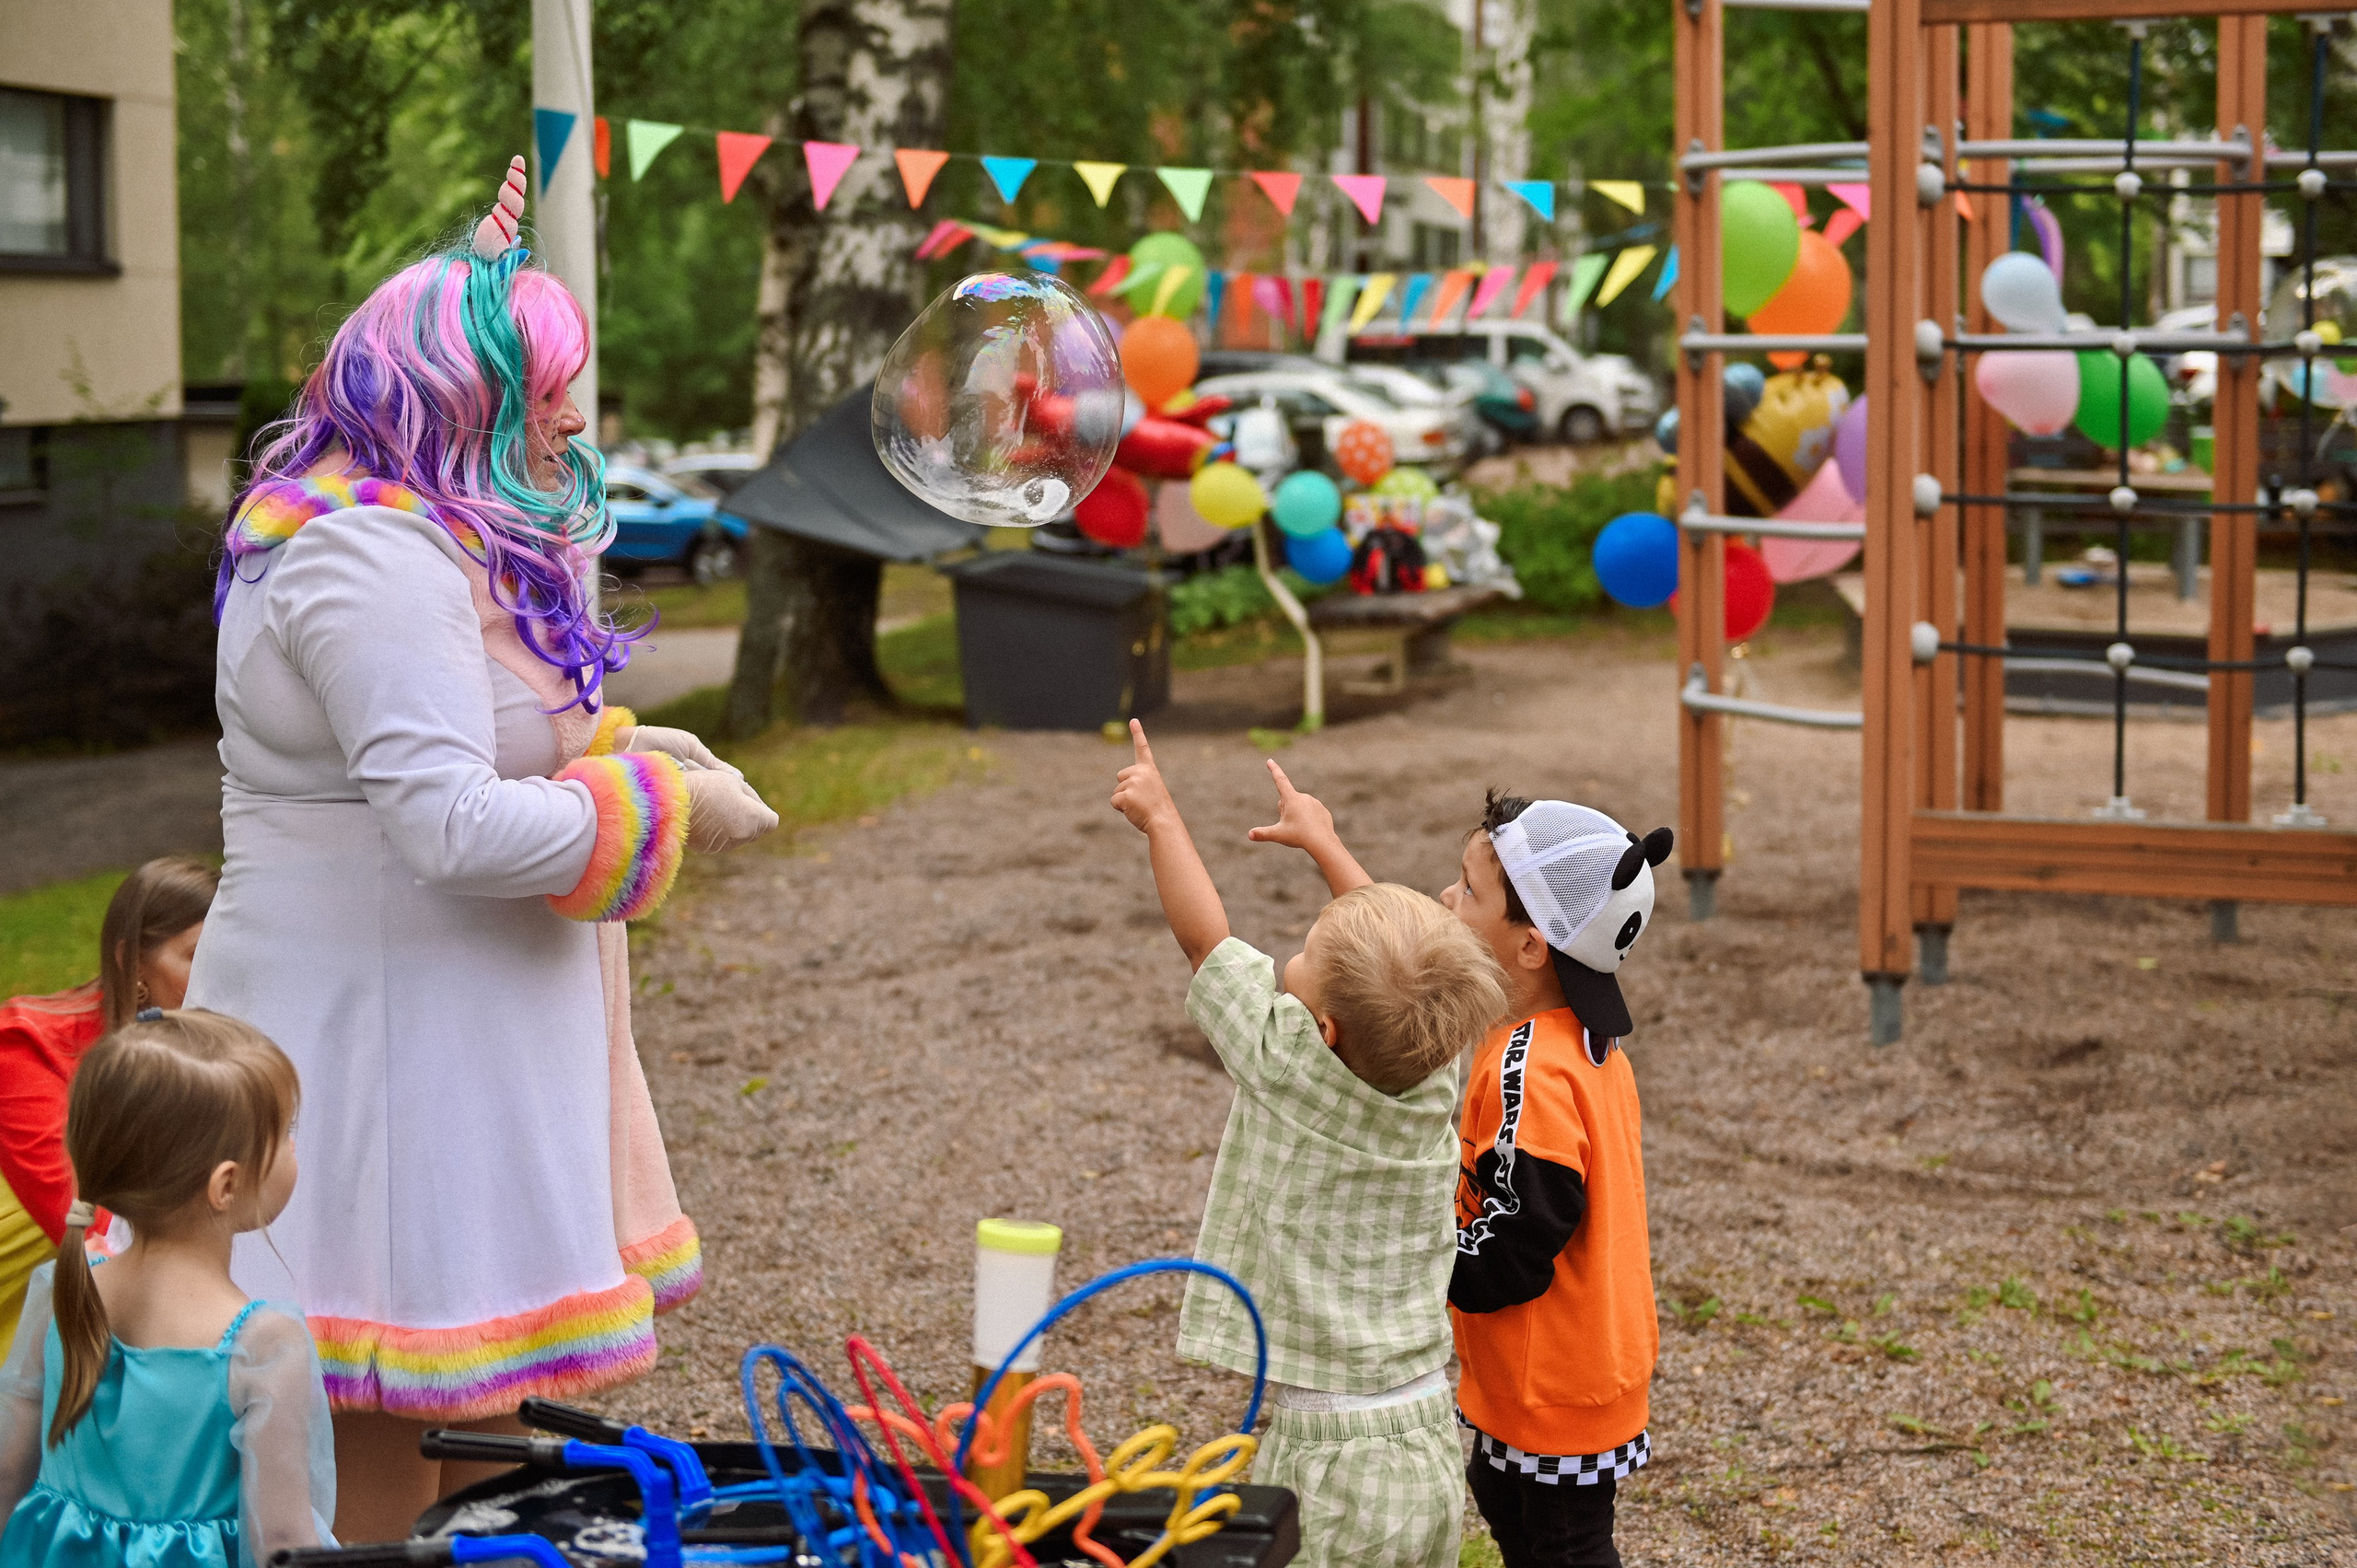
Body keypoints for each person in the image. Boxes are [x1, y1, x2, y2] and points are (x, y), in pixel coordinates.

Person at [190, 155, 778, 1539]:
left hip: (447, 1030)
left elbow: (491, 740)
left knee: (484, 1430)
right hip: (381, 1048)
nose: (573, 412)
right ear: (465, 400)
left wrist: (646, 756)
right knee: (395, 1420)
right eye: (547, 384)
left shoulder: (416, 535)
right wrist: (662, 807)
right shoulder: (367, 557)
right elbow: (446, 820)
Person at [1109, 725, 1506, 1568]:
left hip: (1326, 1448)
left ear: (1321, 1027)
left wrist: (1163, 819)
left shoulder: (1289, 1063)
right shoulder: (1436, 1063)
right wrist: (1327, 844)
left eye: (1301, 955)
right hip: (1429, 1434)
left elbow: (1203, 940)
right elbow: (1412, 966)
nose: (1290, 953)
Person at [0, 1008, 334, 1568]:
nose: (295, 1149)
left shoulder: (64, 1287)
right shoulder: (263, 1342)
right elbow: (281, 1541)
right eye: (287, 1133)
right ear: (226, 1183)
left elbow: (8, 1468)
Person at [1439, 793, 1673, 1568]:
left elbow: (1521, 1229)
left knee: (1565, 1545)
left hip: (1551, 1379)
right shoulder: (1586, 1040)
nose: (1449, 899)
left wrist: (1431, 1264)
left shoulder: (1528, 1064)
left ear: (1531, 947)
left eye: (1470, 892)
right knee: (1517, 1508)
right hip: (1584, 1363)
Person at [0, 857, 219, 1358]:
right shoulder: (25, 1049)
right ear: (129, 962)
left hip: (95, 1303)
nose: (218, 978)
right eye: (197, 957)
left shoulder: (207, 1051)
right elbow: (79, 1222)